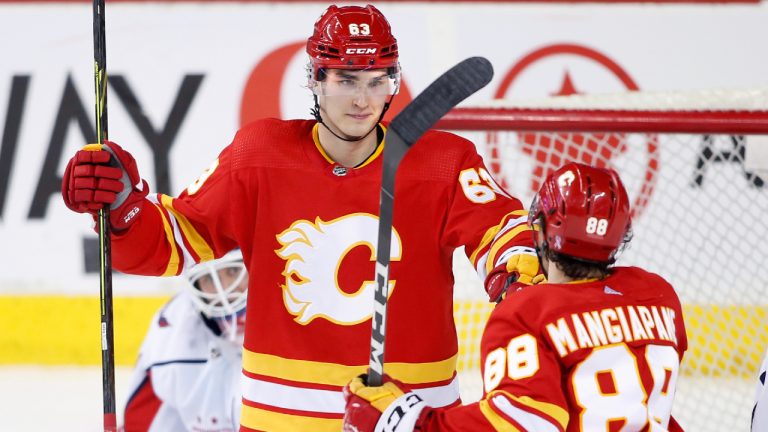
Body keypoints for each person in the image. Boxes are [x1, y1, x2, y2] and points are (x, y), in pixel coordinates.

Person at [61, 5, 543, 431]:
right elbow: (175, 243)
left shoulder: (442, 160)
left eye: (378, 80)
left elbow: (500, 229)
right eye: (346, 79)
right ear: (315, 78)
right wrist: (124, 207)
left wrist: (516, 281)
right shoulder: (258, 155)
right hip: (279, 419)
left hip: (408, 415)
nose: (363, 100)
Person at [343, 162, 688, 432]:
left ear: (537, 229)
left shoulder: (525, 314)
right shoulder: (658, 295)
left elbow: (521, 424)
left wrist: (405, 421)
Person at [122, 249, 247, 432]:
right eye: (210, 279)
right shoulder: (172, 337)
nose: (226, 291)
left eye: (233, 271)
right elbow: (143, 422)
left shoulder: (300, 310)